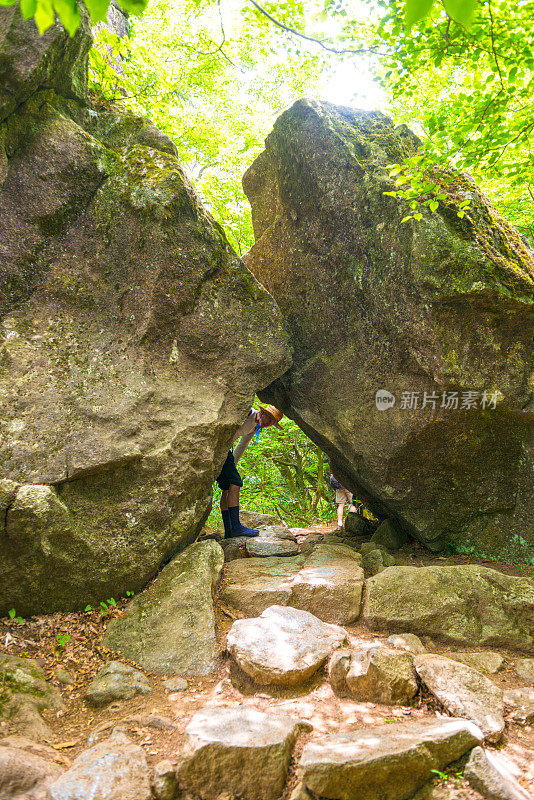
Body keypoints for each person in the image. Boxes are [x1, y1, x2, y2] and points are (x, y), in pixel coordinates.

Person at [216, 404, 284, 538]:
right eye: (269, 419)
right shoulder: (247, 413)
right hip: (219, 446)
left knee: (227, 488)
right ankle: (236, 527)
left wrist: (233, 465)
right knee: (235, 483)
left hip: (224, 451)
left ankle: (229, 531)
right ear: (262, 413)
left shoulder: (255, 428)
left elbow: (242, 444)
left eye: (273, 422)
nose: (269, 424)